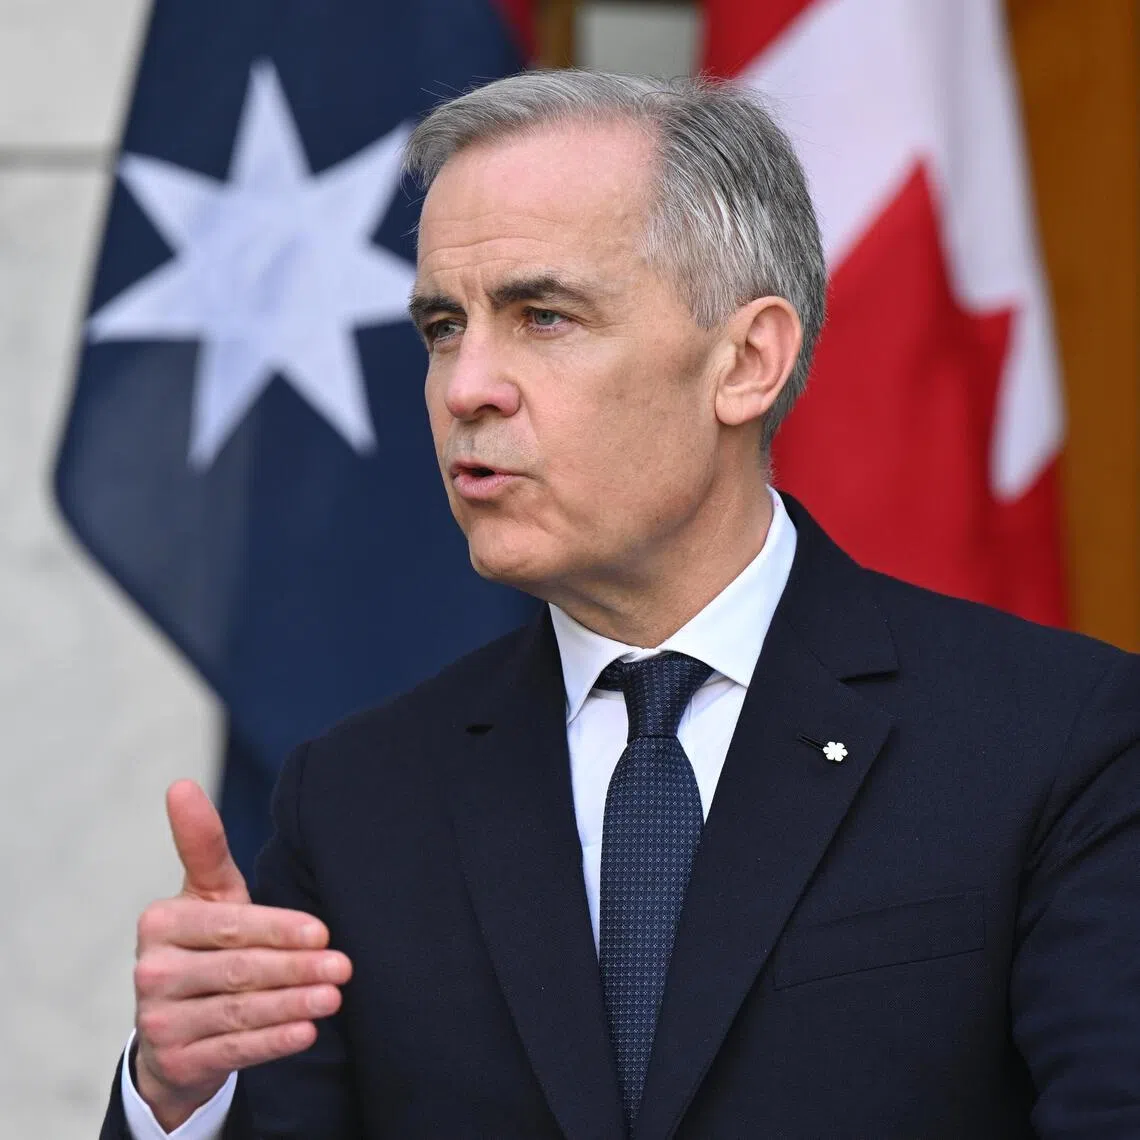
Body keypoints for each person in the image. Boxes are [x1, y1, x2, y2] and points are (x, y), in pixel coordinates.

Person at [101, 71, 1140, 1139]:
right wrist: (183, 1098)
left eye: (543, 317)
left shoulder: (1057, 740)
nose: (465, 387)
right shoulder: (357, 800)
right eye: (445, 327)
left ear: (746, 361)